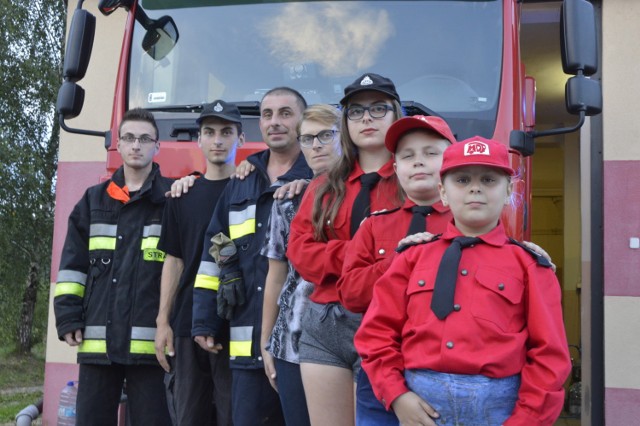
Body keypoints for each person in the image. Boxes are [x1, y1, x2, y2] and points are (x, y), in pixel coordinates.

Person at [355, 136, 571, 426]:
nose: (475, 188)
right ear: (443, 192)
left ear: (508, 191)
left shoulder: (531, 265)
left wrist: (526, 420)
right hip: (418, 406)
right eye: (463, 179)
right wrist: (396, 395)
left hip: (499, 410)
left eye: (489, 180)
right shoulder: (411, 258)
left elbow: (550, 356)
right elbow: (376, 334)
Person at [287, 73, 404, 426]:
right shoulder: (323, 186)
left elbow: (416, 258)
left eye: (378, 108)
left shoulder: (414, 181)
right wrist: (364, 253)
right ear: (346, 122)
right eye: (356, 111)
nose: (366, 118)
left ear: (396, 114)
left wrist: (338, 253)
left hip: (389, 323)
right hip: (324, 324)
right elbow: (301, 253)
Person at [192, 87, 313, 426]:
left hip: (302, 346)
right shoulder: (242, 180)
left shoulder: (318, 177)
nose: (275, 122)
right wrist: (205, 318)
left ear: (302, 121)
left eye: (286, 114)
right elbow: (215, 239)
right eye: (268, 114)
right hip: (246, 342)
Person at [53, 108, 172, 426]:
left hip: (152, 349)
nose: (137, 145)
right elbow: (72, 267)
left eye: (145, 139)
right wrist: (67, 316)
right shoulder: (93, 201)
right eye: (130, 138)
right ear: (118, 145)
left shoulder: (172, 199)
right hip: (98, 342)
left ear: (157, 147)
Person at [338, 114, 456, 425]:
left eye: (431, 153)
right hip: (380, 370)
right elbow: (350, 294)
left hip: (448, 372)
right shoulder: (375, 224)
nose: (419, 162)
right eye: (407, 156)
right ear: (395, 168)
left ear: (451, 161)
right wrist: (399, 259)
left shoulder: (471, 223)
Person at [154, 100, 244, 426]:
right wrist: (163, 321)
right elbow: (174, 261)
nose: (218, 140)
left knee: (234, 417)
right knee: (189, 417)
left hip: (237, 325)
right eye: (209, 132)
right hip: (187, 325)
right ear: (199, 140)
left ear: (241, 139)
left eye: (226, 132)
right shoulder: (182, 196)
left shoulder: (252, 193)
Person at [260, 104, 342, 426]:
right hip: (291, 341)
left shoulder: (365, 193)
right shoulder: (286, 201)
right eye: (307, 139)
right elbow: (275, 278)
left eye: (325, 135)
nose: (316, 145)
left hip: (348, 341)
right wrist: (267, 343)